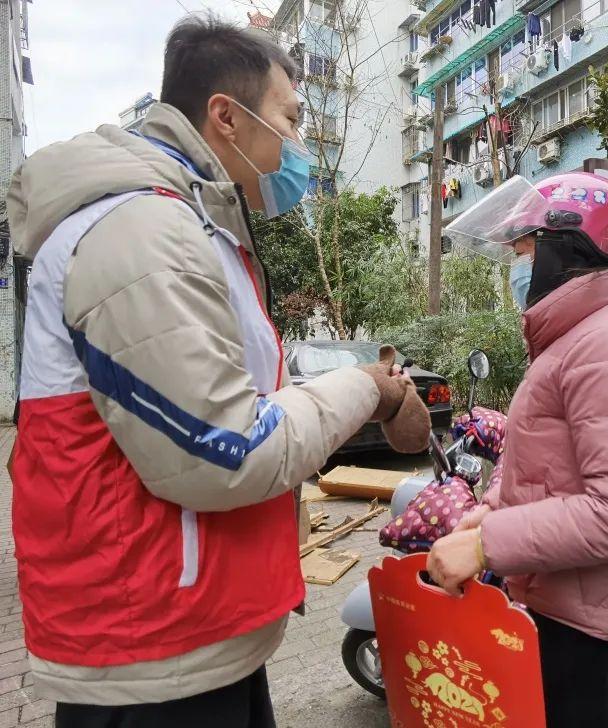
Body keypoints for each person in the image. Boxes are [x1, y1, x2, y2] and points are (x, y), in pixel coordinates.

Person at [7, 15, 429, 728]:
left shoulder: (193, 225)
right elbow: (221, 450)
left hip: (191, 633)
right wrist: (364, 387)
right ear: (227, 117)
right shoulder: (140, 233)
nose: (300, 143)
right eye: (292, 119)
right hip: (149, 655)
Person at [428, 173, 608, 728]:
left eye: (522, 249)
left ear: (564, 247)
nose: (515, 265)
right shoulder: (580, 334)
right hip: (575, 605)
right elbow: (550, 460)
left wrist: (487, 547)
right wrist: (492, 506)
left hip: (603, 631)